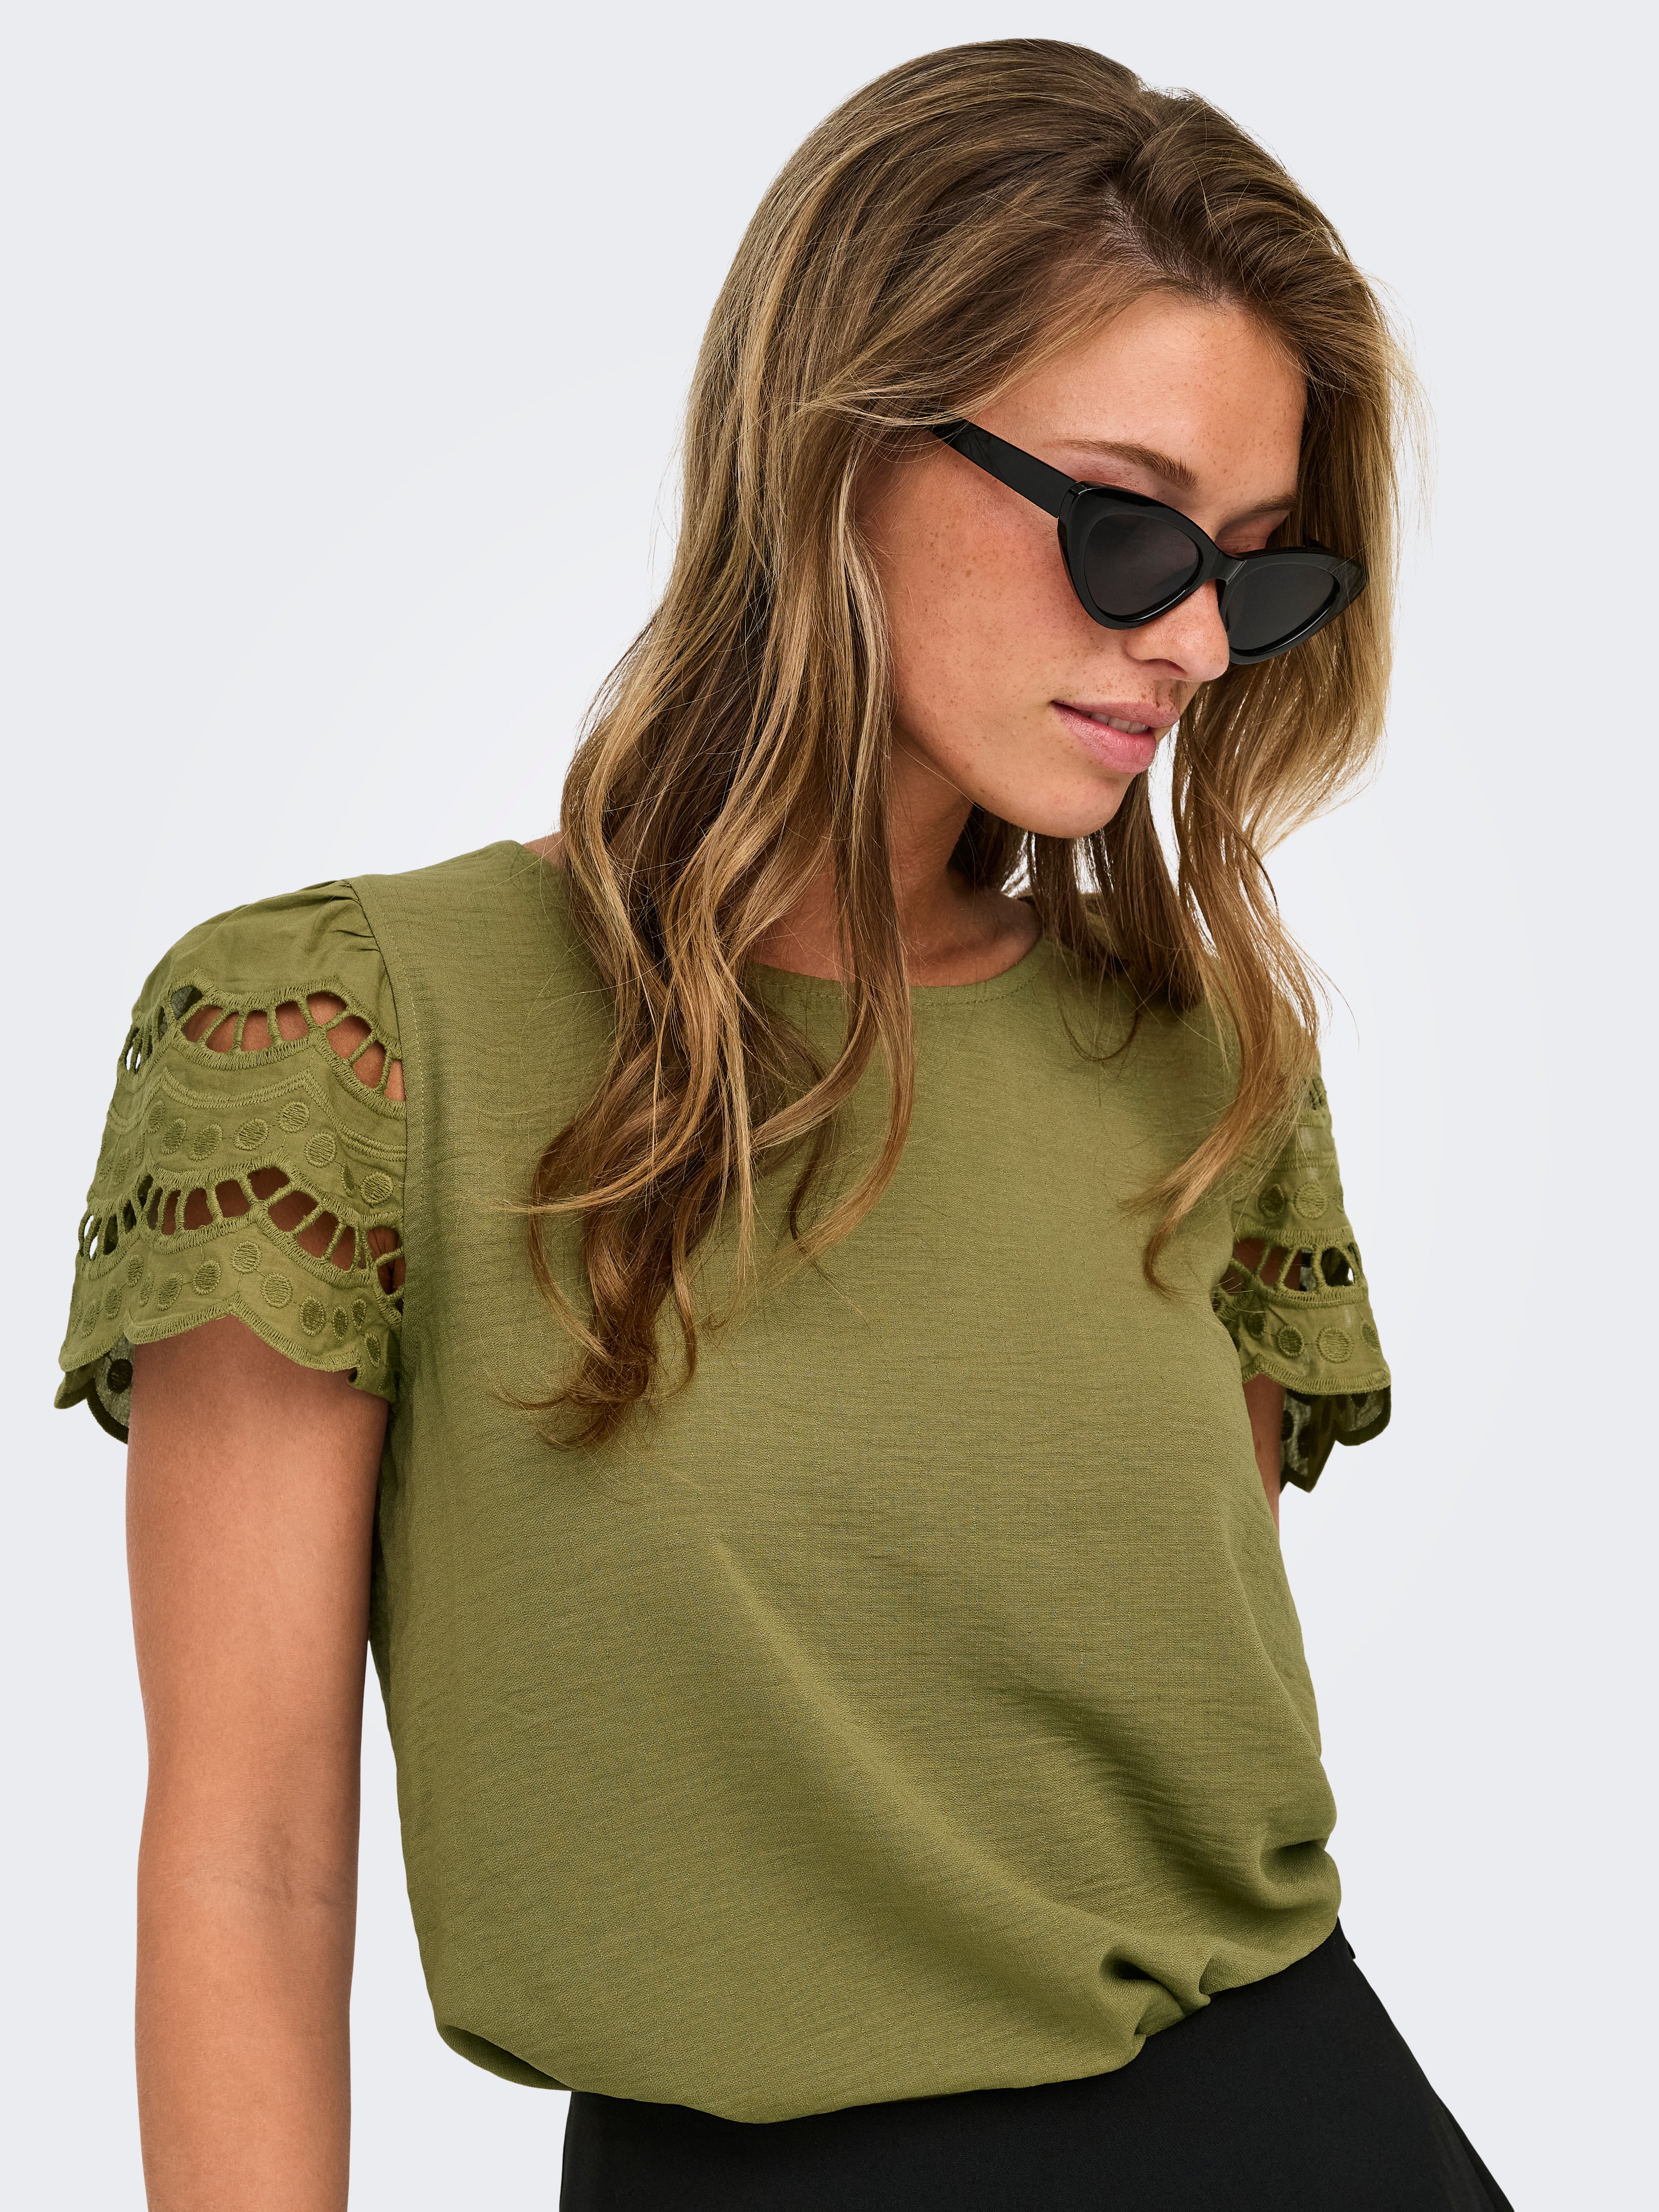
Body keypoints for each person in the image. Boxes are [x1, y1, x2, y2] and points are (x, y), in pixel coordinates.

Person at [56, 38, 1513, 2212]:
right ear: (838, 444)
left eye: (1258, 570)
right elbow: (250, 1860)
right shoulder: (347, 1038)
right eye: (1128, 531)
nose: (1199, 644)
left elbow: (1099, 1803)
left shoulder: (1197, 1061)